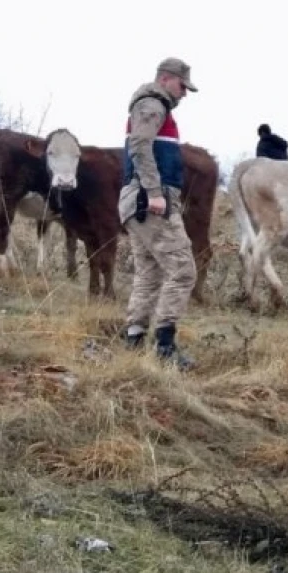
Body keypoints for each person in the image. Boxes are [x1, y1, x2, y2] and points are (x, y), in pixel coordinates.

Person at [118, 57, 199, 370]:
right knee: (183, 270)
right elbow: (139, 145)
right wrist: (153, 192)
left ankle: (134, 340)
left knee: (149, 274)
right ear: (166, 79)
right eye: (182, 86)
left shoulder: (149, 105)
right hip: (149, 200)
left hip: (138, 200)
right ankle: (164, 348)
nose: (185, 93)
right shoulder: (153, 104)